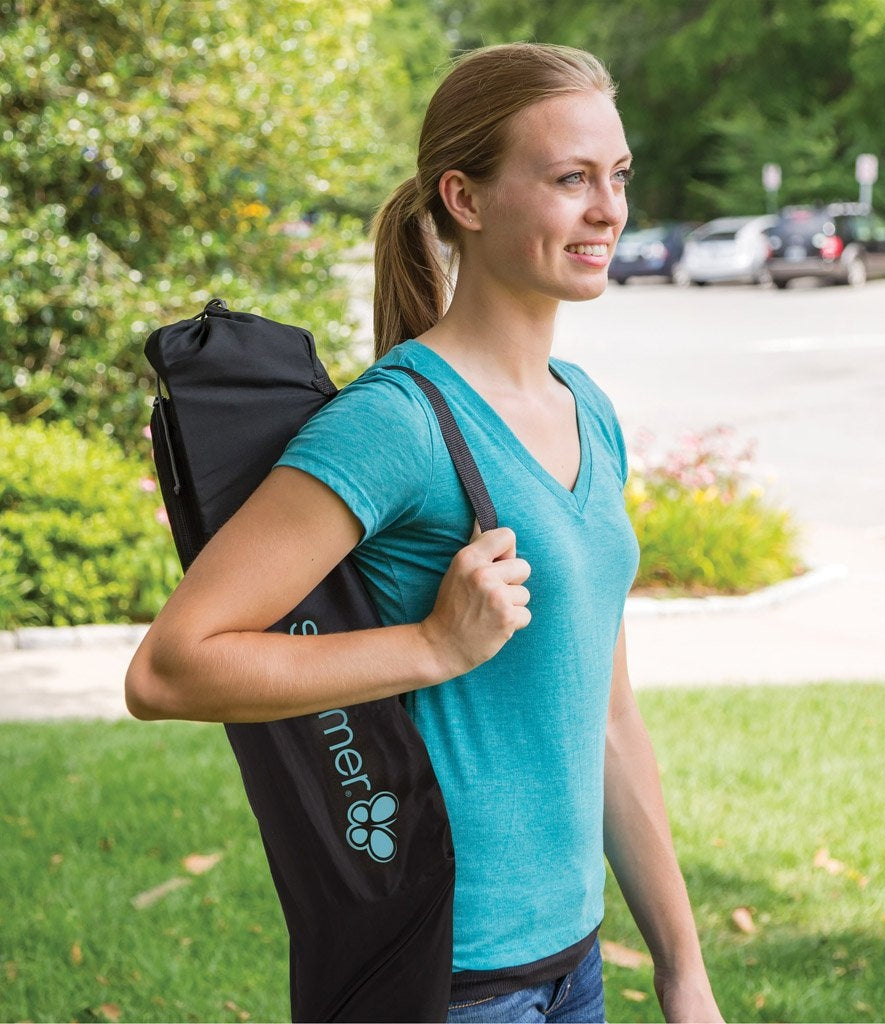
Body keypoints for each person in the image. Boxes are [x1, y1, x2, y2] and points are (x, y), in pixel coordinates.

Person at [126, 42, 722, 1024]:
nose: (608, 210)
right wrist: (433, 645)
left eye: (616, 176)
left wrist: (682, 969)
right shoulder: (396, 423)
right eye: (570, 178)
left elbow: (610, 719)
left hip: (573, 970)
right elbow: (168, 669)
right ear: (465, 197)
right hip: (448, 980)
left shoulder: (588, 410)